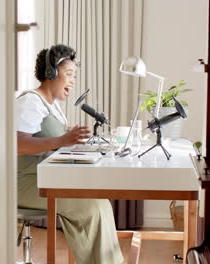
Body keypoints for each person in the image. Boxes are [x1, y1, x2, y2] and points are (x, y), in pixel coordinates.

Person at [16, 44, 124, 264]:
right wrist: (62, 140)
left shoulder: (52, 106)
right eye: (69, 74)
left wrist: (72, 141)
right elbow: (17, 144)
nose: (73, 81)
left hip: (44, 179)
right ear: (51, 73)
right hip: (23, 182)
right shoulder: (30, 102)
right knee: (92, 206)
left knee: (97, 201)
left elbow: (50, 143)